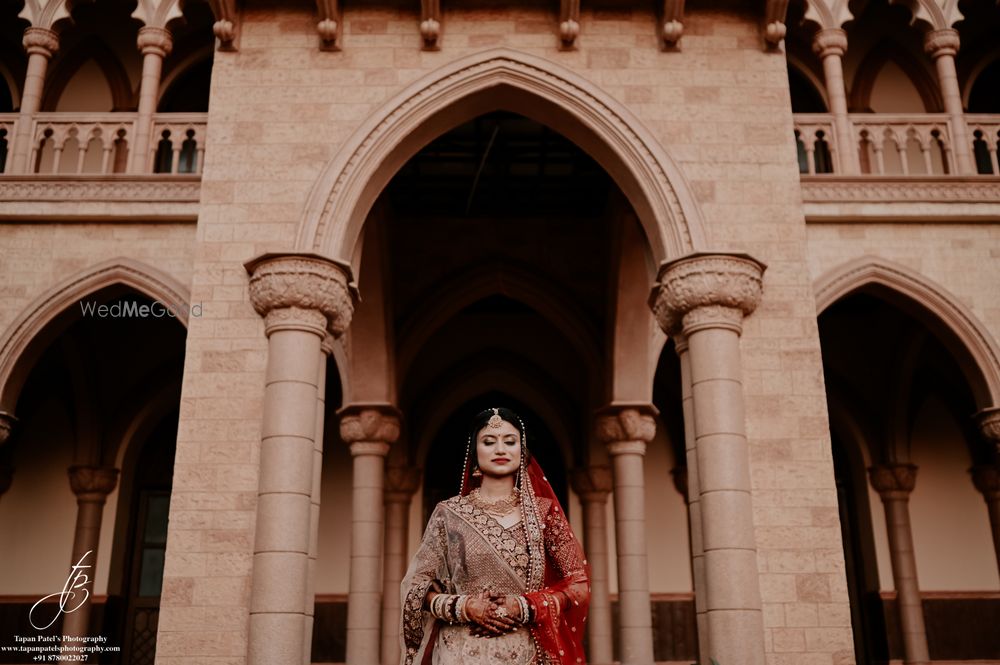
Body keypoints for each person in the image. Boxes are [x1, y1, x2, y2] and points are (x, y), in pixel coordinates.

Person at [400, 407, 590, 665]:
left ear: (521, 452)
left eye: (510, 442)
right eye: (489, 442)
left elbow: (578, 585)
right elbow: (417, 588)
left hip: (526, 651)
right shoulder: (448, 513)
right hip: (458, 653)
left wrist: (525, 607)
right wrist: (464, 607)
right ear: (475, 455)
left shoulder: (544, 513)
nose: (500, 449)